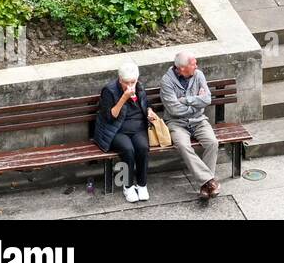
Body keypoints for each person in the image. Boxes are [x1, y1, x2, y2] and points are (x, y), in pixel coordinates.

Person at [94, 59, 158, 203]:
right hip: (115, 129)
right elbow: (110, 117)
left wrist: (149, 110)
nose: (130, 85)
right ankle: (127, 186)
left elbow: (147, 103)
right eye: (126, 82)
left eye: (133, 82)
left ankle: (142, 184)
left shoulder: (139, 86)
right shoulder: (109, 90)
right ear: (119, 79)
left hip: (137, 127)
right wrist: (124, 97)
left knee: (142, 147)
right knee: (128, 150)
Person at [161, 51, 221, 199]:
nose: (196, 66)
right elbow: (173, 109)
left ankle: (205, 185)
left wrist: (185, 100)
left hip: (199, 120)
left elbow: (206, 99)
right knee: (183, 146)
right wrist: (196, 101)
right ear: (182, 68)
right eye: (193, 64)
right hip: (176, 123)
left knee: (212, 142)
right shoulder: (166, 81)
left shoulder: (198, 75)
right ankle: (209, 182)